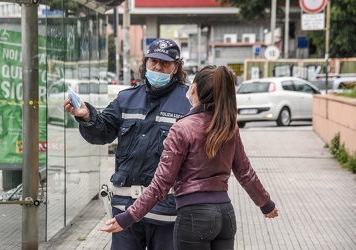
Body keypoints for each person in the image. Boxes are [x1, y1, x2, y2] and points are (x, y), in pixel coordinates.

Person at [101, 65, 279, 250]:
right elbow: (245, 172)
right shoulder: (228, 126)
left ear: (193, 89)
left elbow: (161, 184)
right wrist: (266, 204)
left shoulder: (182, 128)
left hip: (194, 218)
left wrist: (128, 217)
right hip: (225, 215)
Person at [63, 38, 191, 250]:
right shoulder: (126, 99)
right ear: (145, 63)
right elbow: (102, 133)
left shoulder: (187, 102)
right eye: (153, 61)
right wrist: (87, 117)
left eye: (165, 63)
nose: (158, 67)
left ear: (176, 67)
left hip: (167, 210)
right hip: (125, 208)